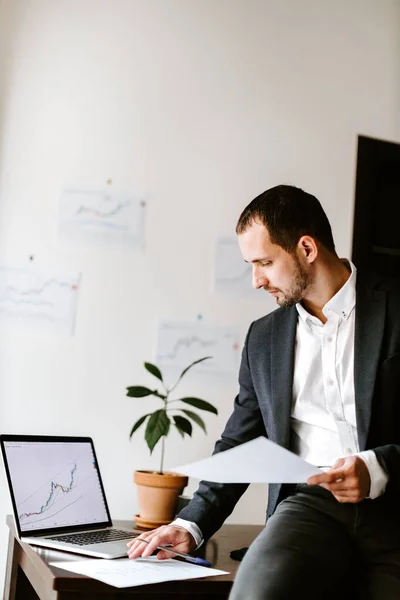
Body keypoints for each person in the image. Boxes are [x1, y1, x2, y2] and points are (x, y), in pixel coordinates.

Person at [127, 185, 400, 599]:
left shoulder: (396, 307)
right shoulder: (264, 339)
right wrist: (190, 523)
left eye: (265, 263)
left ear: (306, 248)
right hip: (310, 508)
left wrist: (377, 467)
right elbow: (241, 439)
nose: (256, 281)